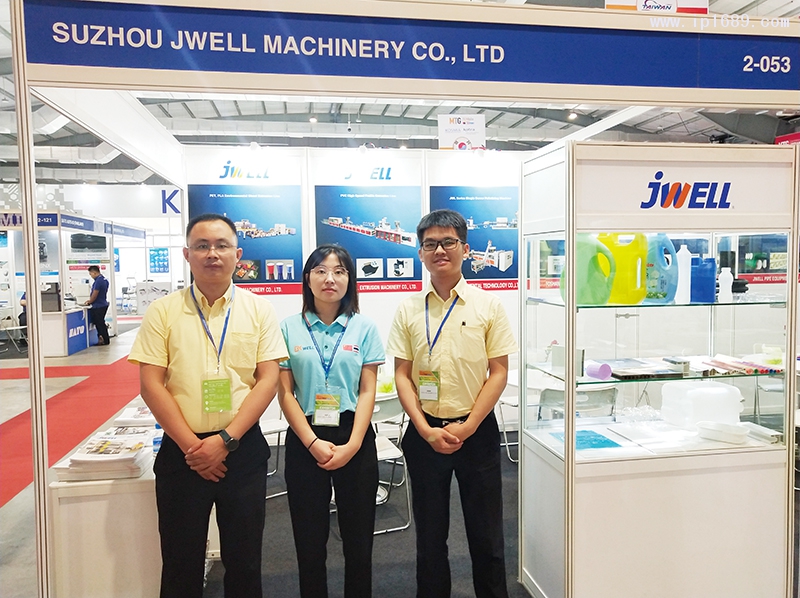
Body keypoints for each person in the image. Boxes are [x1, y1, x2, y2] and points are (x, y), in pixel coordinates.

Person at [128, 213, 288, 598]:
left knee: (245, 561)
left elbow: (268, 379)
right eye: (202, 246)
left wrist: (225, 441)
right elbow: (151, 384)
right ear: (187, 254)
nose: (212, 253)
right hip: (183, 454)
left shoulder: (259, 309)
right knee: (180, 562)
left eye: (221, 245)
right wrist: (193, 447)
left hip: (242, 451)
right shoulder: (163, 311)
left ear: (238, 254)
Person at [386, 209, 517, 598]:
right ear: (420, 253)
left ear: (465, 248)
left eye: (448, 242)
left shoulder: (488, 306)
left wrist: (469, 425)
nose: (439, 250)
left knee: (487, 535)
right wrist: (425, 429)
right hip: (424, 433)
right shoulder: (408, 309)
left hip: (476, 433)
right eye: (430, 244)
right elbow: (402, 375)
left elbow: (499, 372)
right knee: (429, 538)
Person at [278, 244, 384, 598]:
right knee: (309, 541)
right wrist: (311, 442)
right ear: (307, 278)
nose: (330, 279)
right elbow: (285, 394)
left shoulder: (364, 328)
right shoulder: (288, 328)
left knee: (359, 540)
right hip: (305, 436)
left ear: (349, 280)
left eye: (339, 271)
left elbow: (367, 391)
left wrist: (353, 444)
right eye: (321, 270)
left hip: (354, 434)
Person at [84, 265, 110, 345]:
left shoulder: (98, 281)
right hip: (103, 304)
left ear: (94, 272)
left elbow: (95, 294)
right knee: (101, 323)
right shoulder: (104, 280)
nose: (91, 276)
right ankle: (105, 339)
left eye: (91, 274)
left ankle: (103, 339)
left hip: (98, 306)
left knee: (99, 324)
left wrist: (90, 301)